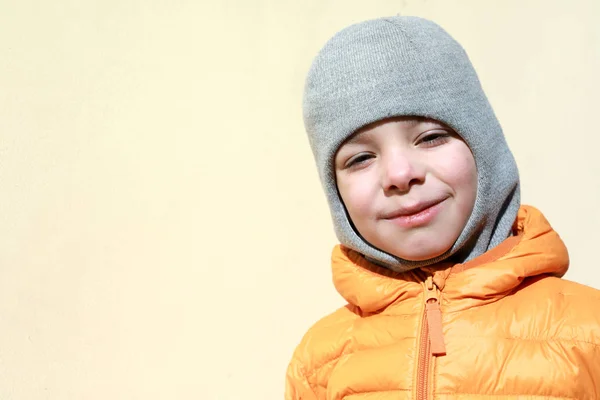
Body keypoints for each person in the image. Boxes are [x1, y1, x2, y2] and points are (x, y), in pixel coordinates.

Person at [285, 16, 600, 399]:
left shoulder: (590, 333)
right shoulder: (318, 363)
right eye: (361, 158)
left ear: (485, 149)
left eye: (431, 137)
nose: (400, 174)